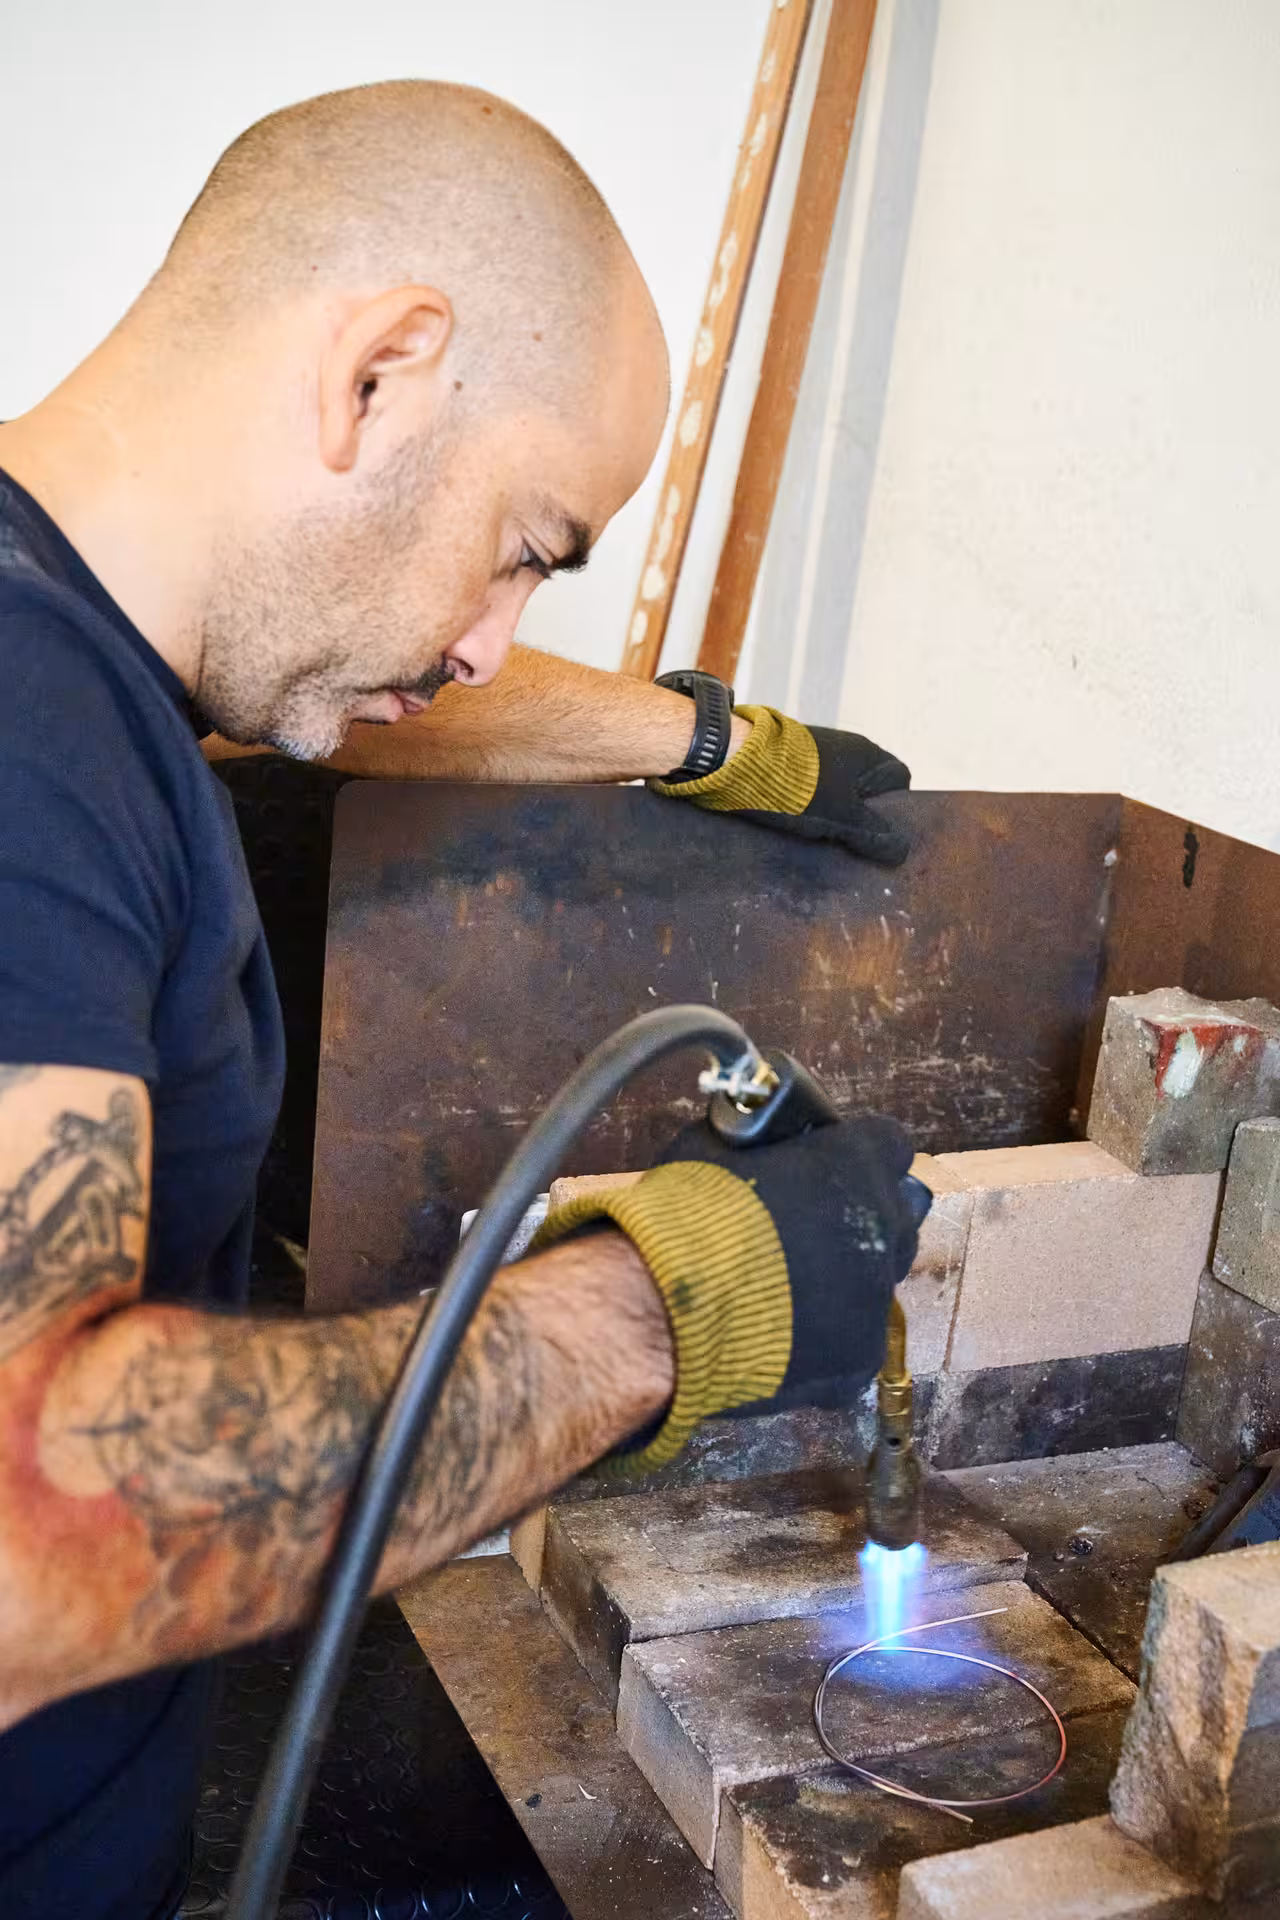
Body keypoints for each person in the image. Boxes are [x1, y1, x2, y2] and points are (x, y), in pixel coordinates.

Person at [0, 81, 921, 1919]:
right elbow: (25, 1540)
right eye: (529, 542)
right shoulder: (23, 733)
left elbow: (363, 673)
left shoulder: (75, 640)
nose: (500, 634)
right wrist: (670, 1299)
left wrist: (720, 741)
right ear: (384, 374)